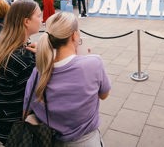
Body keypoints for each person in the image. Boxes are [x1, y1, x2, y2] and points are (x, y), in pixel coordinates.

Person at [24, 11, 111, 146]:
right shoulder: (93, 63)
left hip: (50, 140)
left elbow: (26, 110)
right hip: (86, 141)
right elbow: (104, 95)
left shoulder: (38, 71)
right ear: (74, 35)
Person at [0, 0, 41, 145]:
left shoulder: (4, 48)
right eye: (39, 16)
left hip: (4, 121)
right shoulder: (24, 59)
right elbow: (42, 94)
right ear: (26, 21)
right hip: (21, 130)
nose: (42, 19)